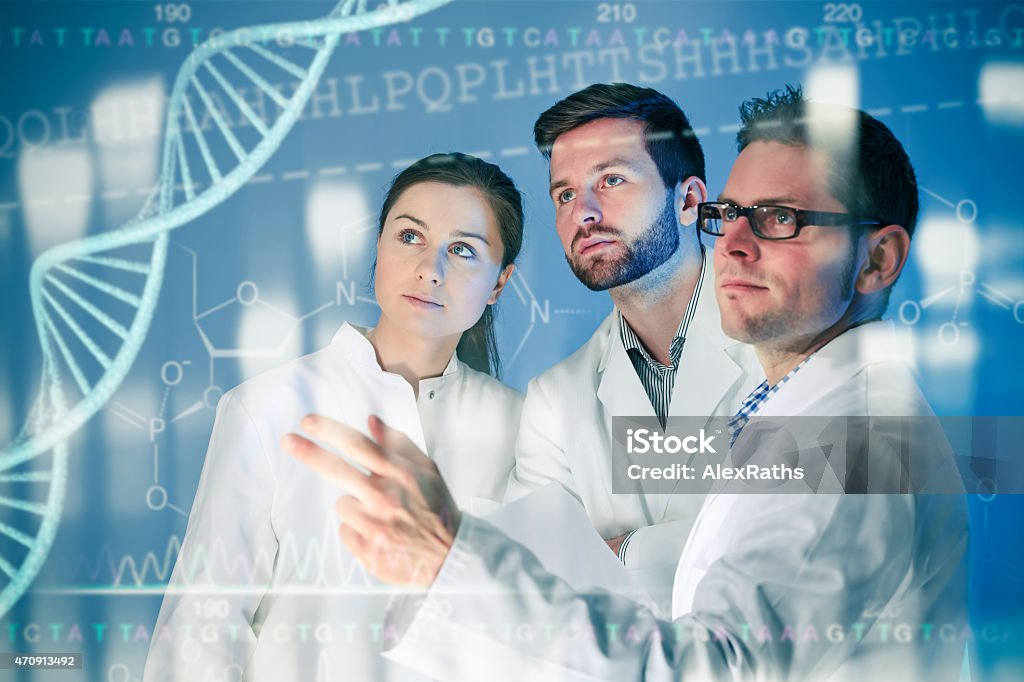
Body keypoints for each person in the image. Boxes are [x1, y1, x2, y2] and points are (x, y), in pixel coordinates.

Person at [286, 87, 969, 681]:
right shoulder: (781, 401)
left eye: (780, 218)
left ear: (878, 259)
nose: (734, 242)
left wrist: (455, 560)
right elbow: (571, 576)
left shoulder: (862, 438)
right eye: (734, 216)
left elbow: (703, 665)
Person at [144, 152, 526, 682]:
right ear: (379, 247)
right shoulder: (272, 406)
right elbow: (204, 627)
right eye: (409, 236)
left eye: (462, 250)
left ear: (499, 283)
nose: (428, 270)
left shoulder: (522, 428)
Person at [506, 83, 760, 607]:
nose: (584, 212)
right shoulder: (554, 401)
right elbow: (535, 591)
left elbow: (787, 546)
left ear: (689, 200)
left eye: (612, 179)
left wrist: (621, 555)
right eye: (565, 194)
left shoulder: (791, 346)